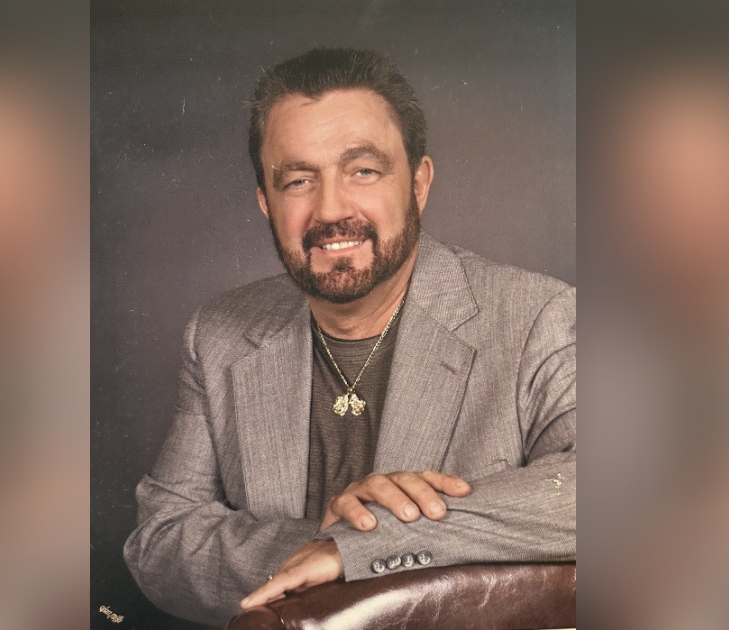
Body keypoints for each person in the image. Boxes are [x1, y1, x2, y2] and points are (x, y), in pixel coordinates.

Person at [125, 47, 575, 625]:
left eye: (363, 170)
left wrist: (371, 544)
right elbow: (161, 538)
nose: (330, 209)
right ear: (265, 203)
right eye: (297, 180)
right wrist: (325, 550)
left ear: (418, 183)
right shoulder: (218, 335)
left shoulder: (537, 316)